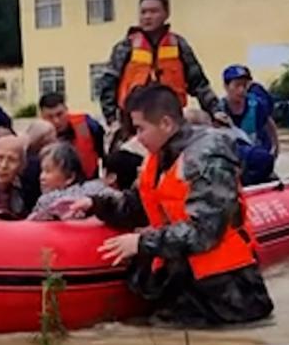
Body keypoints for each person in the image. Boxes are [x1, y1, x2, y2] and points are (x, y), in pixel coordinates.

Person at [65, 84, 274, 327]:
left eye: (141, 129)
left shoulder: (207, 157)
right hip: (186, 283)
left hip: (229, 294)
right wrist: (96, 204)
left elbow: (205, 231)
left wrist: (142, 243)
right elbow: (139, 205)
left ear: (165, 123)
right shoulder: (161, 157)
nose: (137, 138)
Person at [95, 0, 223, 144]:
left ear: (166, 14)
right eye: (143, 12)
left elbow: (199, 83)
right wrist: (112, 120)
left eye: (153, 11)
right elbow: (108, 85)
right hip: (133, 125)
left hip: (170, 123)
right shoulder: (126, 47)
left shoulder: (179, 45)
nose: (147, 16)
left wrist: (216, 111)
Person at [218, 65, 279, 185]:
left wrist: (275, 147)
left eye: (244, 85)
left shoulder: (256, 105)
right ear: (226, 87)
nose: (241, 90)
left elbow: (269, 123)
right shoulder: (218, 110)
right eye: (237, 85)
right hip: (233, 165)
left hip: (256, 161)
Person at [27, 142, 113, 221]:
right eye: (42, 171)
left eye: (48, 171)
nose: (42, 177)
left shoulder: (46, 201)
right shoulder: (99, 188)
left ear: (70, 177)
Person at [39, 92, 105, 179]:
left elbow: (102, 149)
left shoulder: (86, 124)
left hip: (90, 181)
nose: (56, 121)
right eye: (50, 117)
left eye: (60, 114)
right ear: (42, 117)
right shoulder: (38, 137)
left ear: (66, 110)